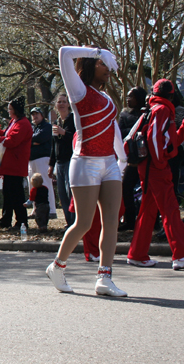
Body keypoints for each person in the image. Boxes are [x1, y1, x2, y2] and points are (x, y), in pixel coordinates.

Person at [46, 46, 127, 297]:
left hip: (109, 163)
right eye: (104, 64)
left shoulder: (108, 99)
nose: (109, 69)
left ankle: (105, 277)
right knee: (83, 222)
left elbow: (113, 129)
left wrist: (122, 159)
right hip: (85, 162)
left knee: (112, 222)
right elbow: (63, 53)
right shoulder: (78, 90)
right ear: (93, 64)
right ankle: (57, 266)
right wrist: (98, 51)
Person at [126, 79, 184, 270]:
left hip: (150, 166)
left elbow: (172, 140)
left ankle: (137, 254)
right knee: (169, 209)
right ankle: (182, 254)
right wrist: (161, 163)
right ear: (171, 94)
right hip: (156, 168)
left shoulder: (154, 109)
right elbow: (155, 138)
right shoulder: (162, 110)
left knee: (148, 210)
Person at [0, 97, 32, 230]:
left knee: (16, 195)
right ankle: (5, 220)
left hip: (16, 164)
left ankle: (22, 221)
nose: (8, 111)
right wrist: (0, 133)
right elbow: (7, 134)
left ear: (16, 110)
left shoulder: (23, 124)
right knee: (8, 194)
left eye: (10, 109)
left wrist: (1, 138)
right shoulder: (15, 121)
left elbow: (13, 141)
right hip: (10, 164)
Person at [117, 86, 147, 230]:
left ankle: (153, 221)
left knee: (148, 190)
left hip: (146, 158)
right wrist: (135, 131)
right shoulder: (124, 114)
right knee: (126, 187)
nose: (128, 100)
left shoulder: (147, 113)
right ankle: (130, 220)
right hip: (131, 158)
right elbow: (120, 131)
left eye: (132, 97)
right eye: (127, 97)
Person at [49, 93, 76, 227]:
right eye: (59, 102)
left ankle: (75, 221)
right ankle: (68, 222)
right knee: (62, 194)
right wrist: (51, 164)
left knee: (70, 192)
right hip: (59, 162)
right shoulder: (56, 122)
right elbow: (54, 145)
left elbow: (77, 138)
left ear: (68, 104)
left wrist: (63, 132)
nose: (61, 104)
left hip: (71, 160)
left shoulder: (73, 120)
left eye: (64, 101)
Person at [27, 107, 56, 219]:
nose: (34, 116)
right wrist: (33, 142)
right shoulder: (33, 128)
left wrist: (32, 140)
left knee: (46, 184)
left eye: (37, 114)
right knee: (32, 186)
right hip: (31, 160)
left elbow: (41, 137)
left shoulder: (47, 127)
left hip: (43, 159)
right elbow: (29, 139)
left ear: (42, 115)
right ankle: (36, 210)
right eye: (33, 114)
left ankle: (51, 210)